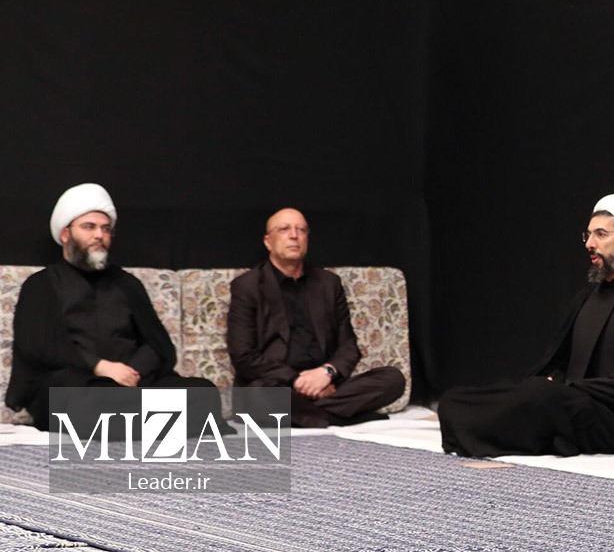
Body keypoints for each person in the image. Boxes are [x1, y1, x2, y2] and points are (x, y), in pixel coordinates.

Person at [438, 193, 614, 457]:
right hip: (568, 402)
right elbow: (560, 361)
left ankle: (482, 432)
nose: (589, 244)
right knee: (456, 399)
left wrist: (568, 389)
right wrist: (556, 381)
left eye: (601, 235)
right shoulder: (588, 296)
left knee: (544, 397)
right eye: (588, 235)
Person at [8, 183, 221, 432]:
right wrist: (101, 367)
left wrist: (133, 373)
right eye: (89, 227)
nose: (99, 235)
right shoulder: (41, 284)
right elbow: (38, 346)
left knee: (202, 392)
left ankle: (123, 423)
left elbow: (157, 344)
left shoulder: (127, 283)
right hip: (76, 385)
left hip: (131, 385)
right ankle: (149, 422)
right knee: (83, 399)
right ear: (65, 234)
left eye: (106, 228)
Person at [226, 208, 406, 428]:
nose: (294, 235)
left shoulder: (328, 283)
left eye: (301, 230)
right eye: (284, 229)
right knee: (257, 395)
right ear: (268, 241)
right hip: (276, 385)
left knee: (392, 379)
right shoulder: (247, 286)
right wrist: (296, 380)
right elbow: (243, 356)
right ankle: (339, 416)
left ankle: (310, 415)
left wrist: (326, 373)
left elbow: (348, 346)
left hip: (325, 383)